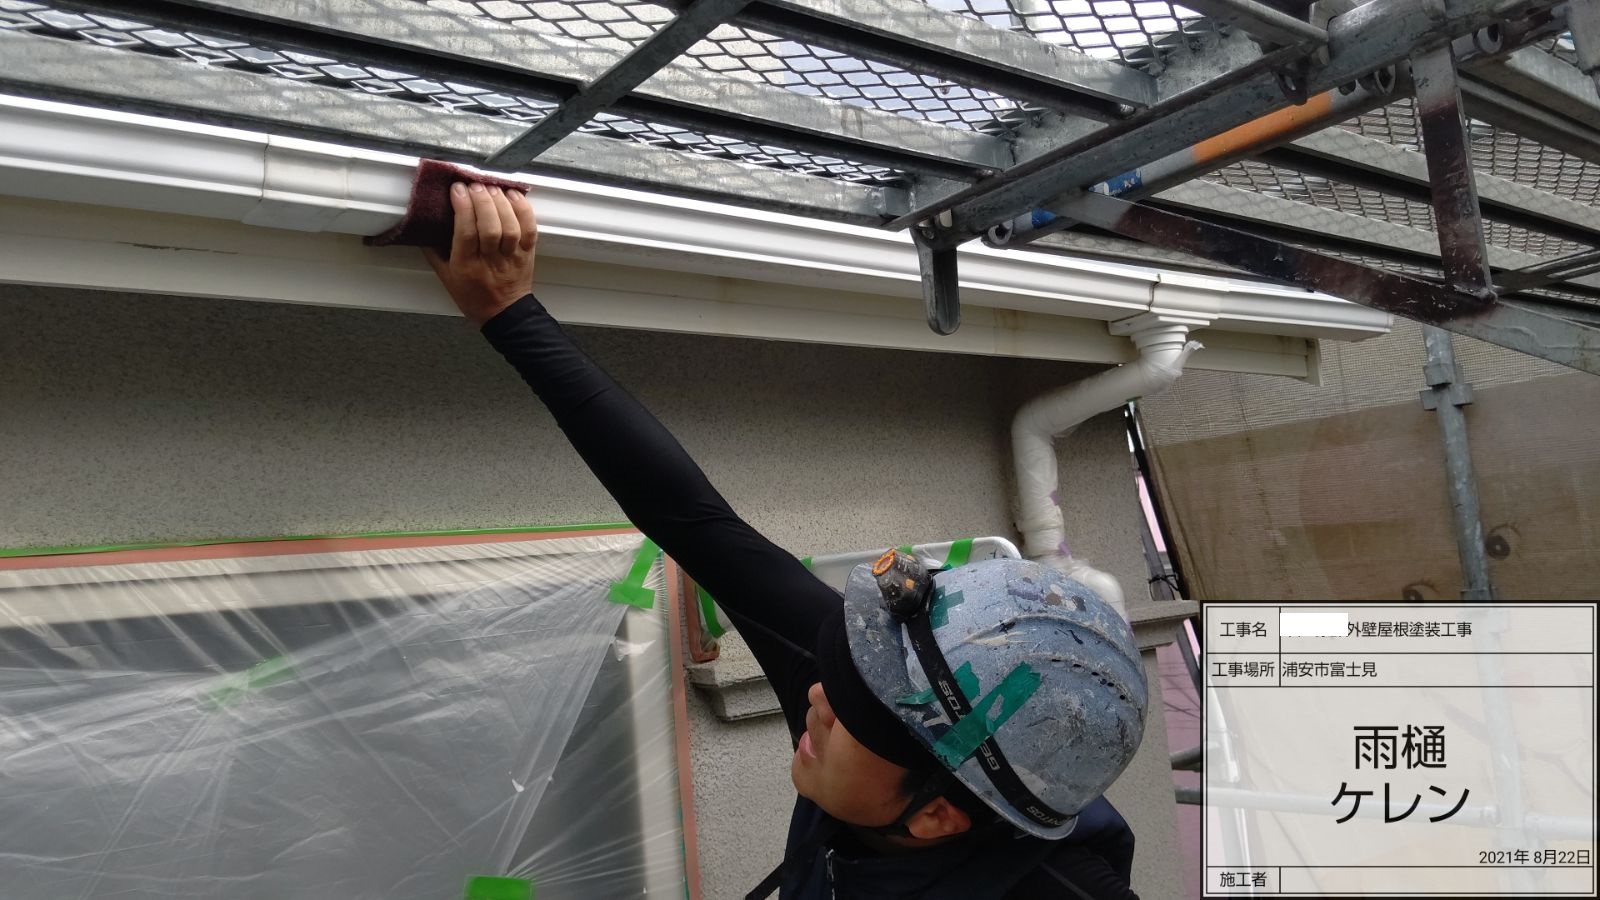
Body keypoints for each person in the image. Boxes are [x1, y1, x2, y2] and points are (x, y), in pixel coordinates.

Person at [426, 180, 1146, 899]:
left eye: (852, 710)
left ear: (934, 815)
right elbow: (692, 521)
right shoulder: (892, 692)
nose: (819, 698)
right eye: (843, 673)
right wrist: (509, 312)